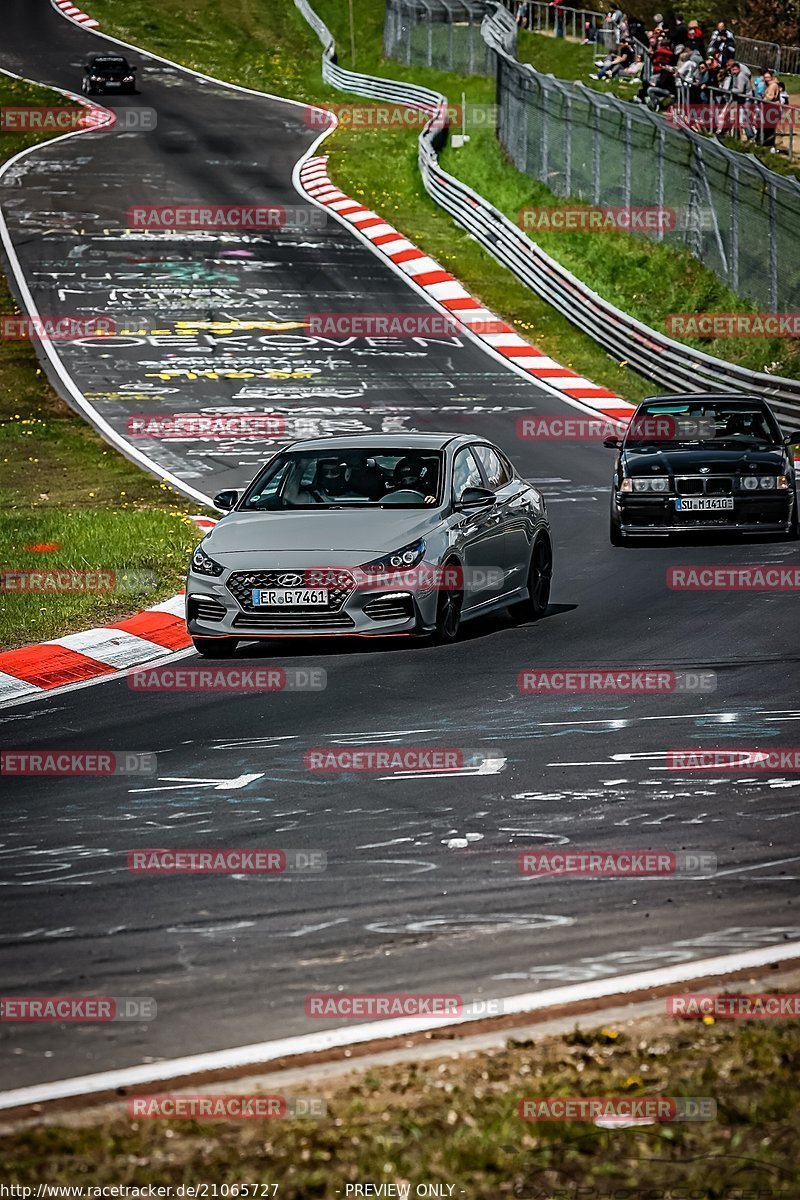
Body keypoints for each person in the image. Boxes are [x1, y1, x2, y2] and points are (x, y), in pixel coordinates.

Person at [760, 69, 782, 150]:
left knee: (770, 128)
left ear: (771, 77)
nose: (766, 79)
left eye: (768, 77)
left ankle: (769, 145)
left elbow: (771, 97)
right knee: (768, 127)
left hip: (772, 108)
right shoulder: (770, 84)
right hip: (770, 108)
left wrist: (764, 98)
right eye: (765, 77)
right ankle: (767, 144)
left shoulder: (773, 85)